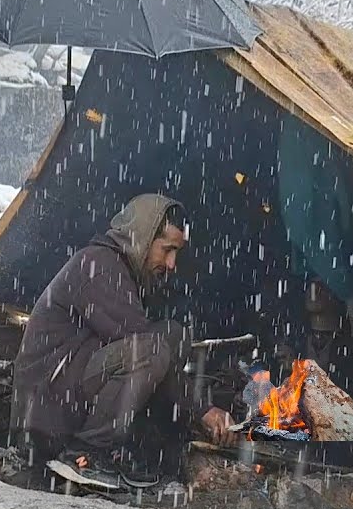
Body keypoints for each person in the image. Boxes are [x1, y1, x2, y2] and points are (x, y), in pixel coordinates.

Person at [12, 193, 234, 489]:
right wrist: (202, 410)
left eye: (176, 253)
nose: (171, 264)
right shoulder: (99, 266)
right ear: (141, 236)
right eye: (167, 250)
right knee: (152, 350)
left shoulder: (121, 268)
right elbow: (144, 347)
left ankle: (140, 447)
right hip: (44, 414)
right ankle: (86, 453)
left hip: (66, 391)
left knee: (172, 334)